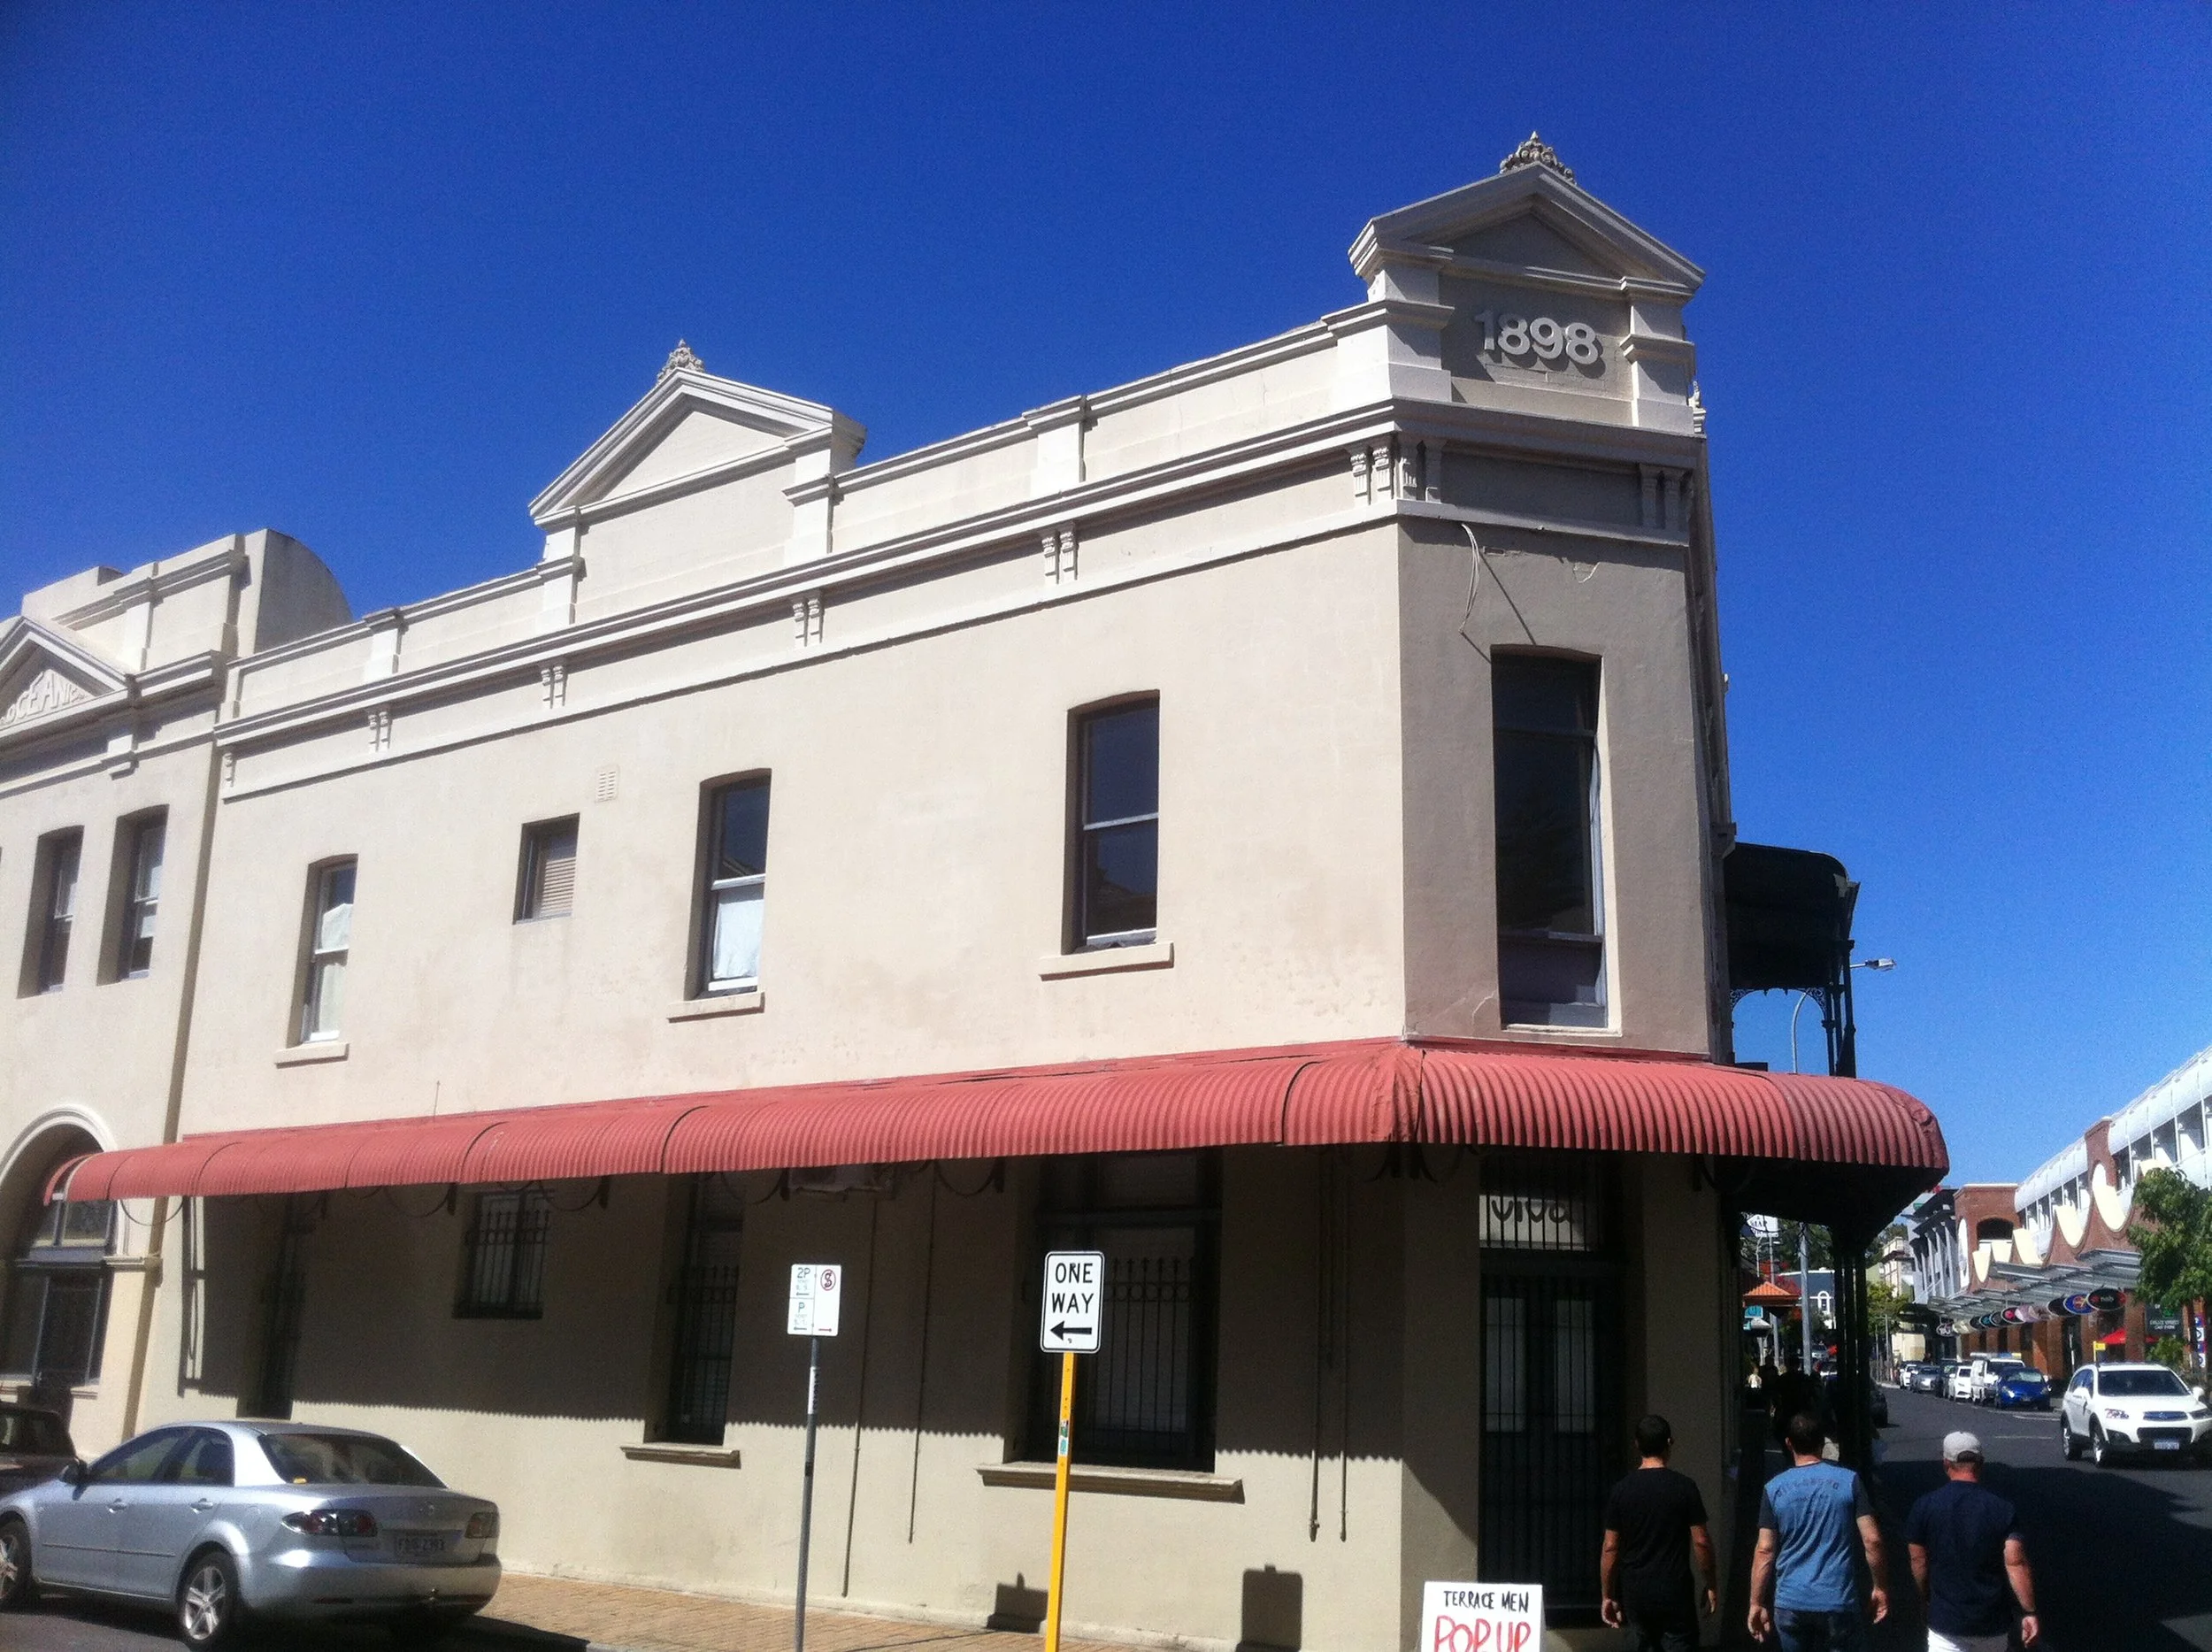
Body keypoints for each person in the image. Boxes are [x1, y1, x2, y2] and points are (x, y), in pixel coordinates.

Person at [1748, 1412, 1889, 1650]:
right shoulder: (1849, 1481)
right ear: (1822, 1442)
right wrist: (1880, 1586)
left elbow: (1765, 1550)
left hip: (1791, 1600)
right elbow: (1872, 1540)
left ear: (1789, 1444)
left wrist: (1756, 1602)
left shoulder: (1773, 1489)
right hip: (1837, 1600)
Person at [1904, 1431, 2039, 1651]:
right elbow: (2016, 1562)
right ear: (1980, 1464)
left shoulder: (1925, 1507)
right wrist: (2029, 1612)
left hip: (1946, 1623)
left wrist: (1926, 1598)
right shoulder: (2002, 1509)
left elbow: (1918, 1560)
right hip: (1992, 1623)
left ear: (1946, 1463)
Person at [1599, 1414, 1717, 1652]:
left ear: (1636, 1444)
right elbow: (1701, 1541)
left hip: (1635, 1590)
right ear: (1669, 1443)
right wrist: (1711, 1583)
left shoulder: (1621, 1490)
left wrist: (1607, 1595)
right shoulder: (1685, 1487)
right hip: (1675, 1589)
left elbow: (1610, 1546)